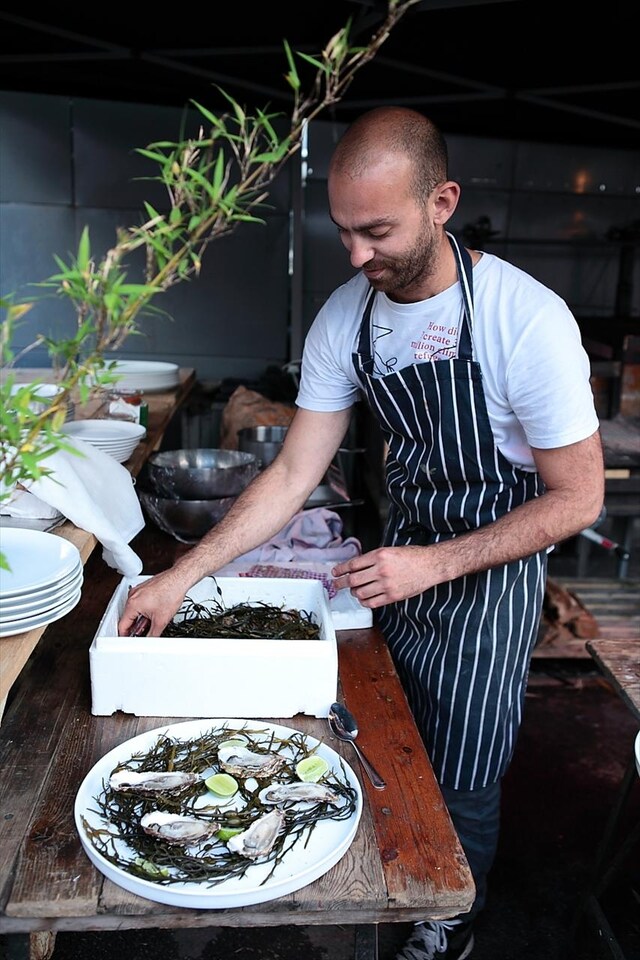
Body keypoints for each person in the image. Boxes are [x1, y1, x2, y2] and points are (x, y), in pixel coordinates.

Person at [119, 107, 604, 959]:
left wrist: (438, 563)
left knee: (461, 774)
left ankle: (449, 919)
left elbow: (578, 499)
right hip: (393, 563)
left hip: (486, 581)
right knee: (377, 740)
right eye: (343, 231)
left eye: (376, 231)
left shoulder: (527, 323)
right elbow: (290, 474)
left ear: (441, 201)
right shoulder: (352, 313)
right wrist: (179, 578)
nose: (355, 256)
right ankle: (379, 889)